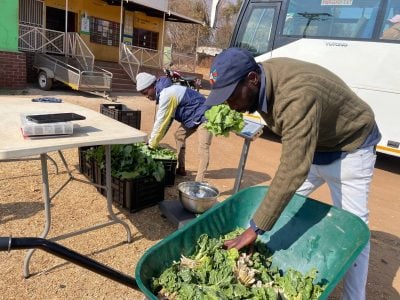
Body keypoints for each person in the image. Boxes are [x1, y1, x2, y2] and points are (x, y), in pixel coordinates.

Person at [205, 48, 381, 300]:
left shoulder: (296, 95)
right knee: (277, 207)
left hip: (352, 146)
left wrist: (255, 228)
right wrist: (258, 226)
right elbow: (297, 158)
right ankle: (252, 255)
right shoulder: (262, 82)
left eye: (231, 95)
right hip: (316, 145)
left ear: (252, 79)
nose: (228, 104)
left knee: (355, 228)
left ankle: (354, 297)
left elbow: (294, 166)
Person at [136, 72, 212, 182]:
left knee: (203, 148)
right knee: (178, 135)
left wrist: (152, 144)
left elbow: (161, 121)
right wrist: (155, 140)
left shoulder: (167, 94)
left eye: (145, 92)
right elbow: (167, 121)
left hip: (205, 114)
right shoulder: (165, 92)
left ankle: (198, 182)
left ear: (152, 86)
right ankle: (181, 168)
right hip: (192, 117)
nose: (147, 96)